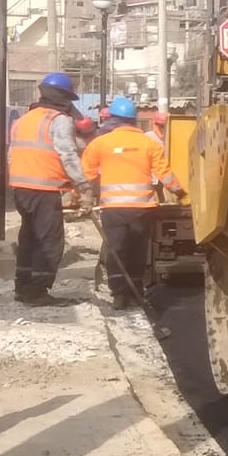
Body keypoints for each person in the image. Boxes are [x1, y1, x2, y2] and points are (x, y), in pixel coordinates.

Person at [81, 96, 181, 309]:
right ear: (134, 120)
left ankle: (119, 295)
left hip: (113, 210)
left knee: (116, 250)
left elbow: (86, 173)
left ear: (113, 120)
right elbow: (163, 173)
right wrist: (180, 192)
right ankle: (137, 293)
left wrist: (88, 194)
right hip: (142, 209)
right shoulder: (148, 143)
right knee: (137, 250)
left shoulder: (100, 143)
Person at [8, 72, 91, 304]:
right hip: (44, 189)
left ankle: (22, 287)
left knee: (28, 238)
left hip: (21, 187)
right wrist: (83, 185)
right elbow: (68, 154)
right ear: (64, 97)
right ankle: (37, 292)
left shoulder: (23, 120)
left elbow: (11, 154)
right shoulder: (58, 120)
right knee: (49, 242)